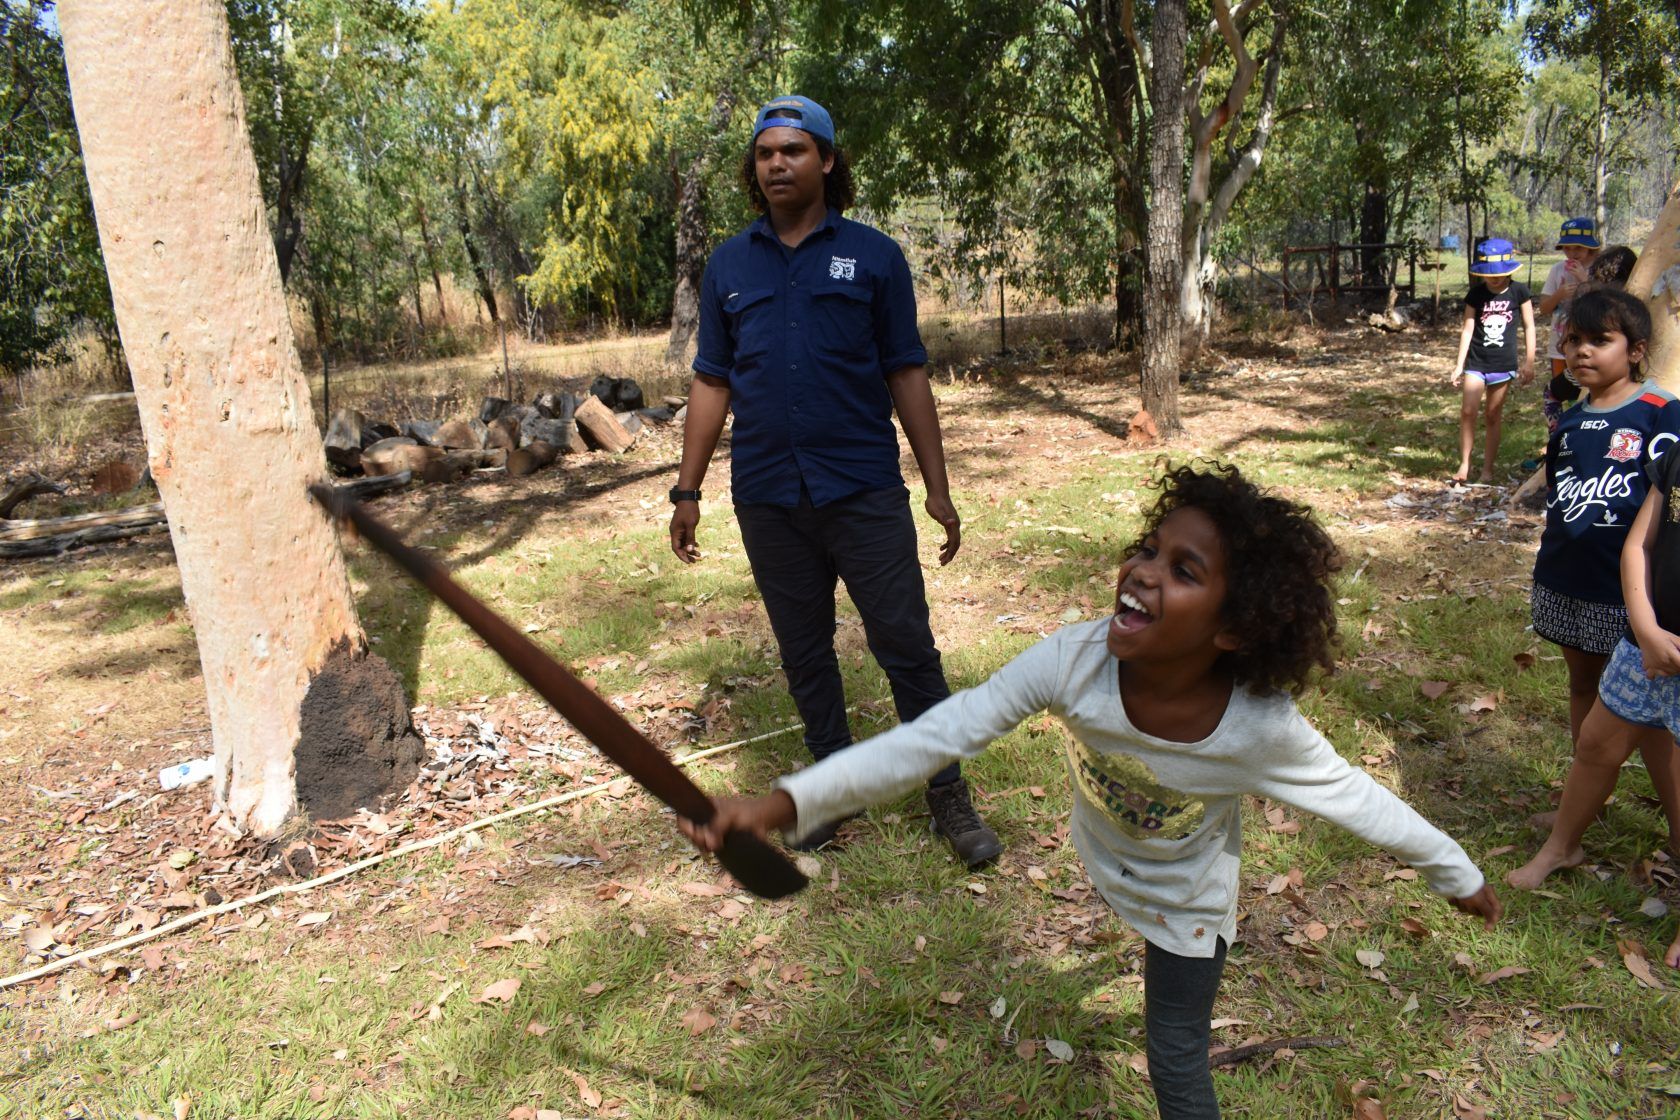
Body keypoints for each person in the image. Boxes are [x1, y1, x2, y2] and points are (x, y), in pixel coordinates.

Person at [680, 463, 1501, 1120]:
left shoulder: (1259, 730)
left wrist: (1457, 872)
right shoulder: (1072, 662)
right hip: (1104, 852)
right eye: (1148, 548)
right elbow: (936, 736)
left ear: (1235, 629)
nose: (1141, 571)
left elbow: (1361, 800)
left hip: (1186, 898)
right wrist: (781, 804)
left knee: (1176, 1058)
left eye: (1182, 570)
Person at [667, 95, 1001, 866]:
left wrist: (937, 486)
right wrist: (688, 492)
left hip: (861, 490)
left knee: (906, 646)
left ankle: (947, 793)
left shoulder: (875, 257)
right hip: (767, 496)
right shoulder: (729, 265)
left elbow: (906, 372)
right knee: (805, 652)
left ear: (825, 160)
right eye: (764, 153)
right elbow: (712, 382)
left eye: (793, 150)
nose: (777, 163)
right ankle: (826, 792)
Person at [1509, 290, 1680, 890]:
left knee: (1649, 715)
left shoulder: (1662, 412)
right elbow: (1562, 496)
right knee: (1584, 685)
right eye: (1574, 341)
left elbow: (1663, 516)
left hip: (1630, 593)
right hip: (1567, 578)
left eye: (1598, 341)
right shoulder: (1572, 421)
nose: (1581, 352)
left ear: (1635, 351)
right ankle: (1585, 799)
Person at [1450, 237, 1536, 482]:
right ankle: (1464, 464)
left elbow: (1529, 327)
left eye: (1499, 273)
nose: (1495, 278)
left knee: (1492, 414)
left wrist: (1529, 362)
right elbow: (1467, 329)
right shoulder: (1475, 295)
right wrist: (1459, 365)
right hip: (1476, 362)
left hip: (1503, 363)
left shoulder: (1519, 292)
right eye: (1489, 274)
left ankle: (1487, 470)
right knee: (1468, 411)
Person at [1536, 218, 1602, 434]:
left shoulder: (1599, 269)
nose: (1572, 254)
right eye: (1567, 248)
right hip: (1560, 344)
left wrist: (1585, 281)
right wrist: (1560, 294)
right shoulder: (1557, 270)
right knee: (1560, 391)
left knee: (1584, 392)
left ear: (1591, 247)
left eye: (1578, 248)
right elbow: (1544, 307)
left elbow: (1606, 302)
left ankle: (1583, 435)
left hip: (1588, 343)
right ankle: (1559, 438)